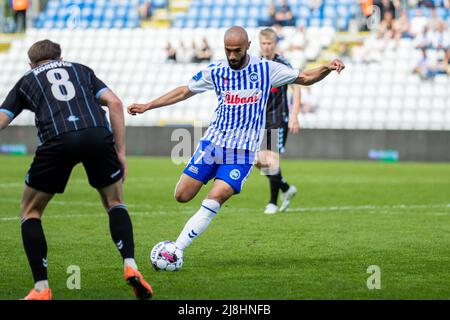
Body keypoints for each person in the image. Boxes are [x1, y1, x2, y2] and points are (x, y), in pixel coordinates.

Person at [128, 27, 344, 260]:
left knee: (216, 197)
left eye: (237, 51)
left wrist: (327, 68)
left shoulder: (265, 69)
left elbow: (304, 77)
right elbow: (183, 91)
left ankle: (176, 249)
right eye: (228, 50)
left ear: (248, 46)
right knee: (182, 195)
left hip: (242, 153)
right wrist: (148, 105)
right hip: (212, 145)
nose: (232, 56)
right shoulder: (217, 70)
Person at [0, 40, 153, 300]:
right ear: (60, 57)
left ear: (31, 63)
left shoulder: (26, 80)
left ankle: (41, 289)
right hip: (97, 134)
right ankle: (130, 265)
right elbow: (115, 104)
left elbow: (2, 120)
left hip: (58, 139)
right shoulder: (81, 69)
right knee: (115, 202)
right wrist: (120, 152)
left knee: (30, 211)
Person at [256, 28, 301, 215]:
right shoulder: (255, 63)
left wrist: (294, 115)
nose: (266, 47)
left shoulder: (282, 63)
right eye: (263, 44)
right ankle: (285, 187)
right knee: (257, 160)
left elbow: (296, 87)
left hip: (277, 118)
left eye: (269, 44)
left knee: (272, 160)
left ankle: (272, 203)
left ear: (275, 45)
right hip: (259, 120)